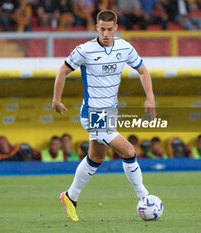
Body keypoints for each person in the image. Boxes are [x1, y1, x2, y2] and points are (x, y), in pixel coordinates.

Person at [52, 10, 156, 222]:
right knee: (128, 150)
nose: (106, 33)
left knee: (97, 157)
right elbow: (62, 70)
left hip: (109, 114)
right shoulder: (84, 50)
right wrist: (56, 99)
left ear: (116, 28)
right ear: (96, 28)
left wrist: (150, 98)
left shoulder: (125, 48)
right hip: (92, 114)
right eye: (102, 29)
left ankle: (70, 197)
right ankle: (145, 198)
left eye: (109, 29)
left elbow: (143, 71)